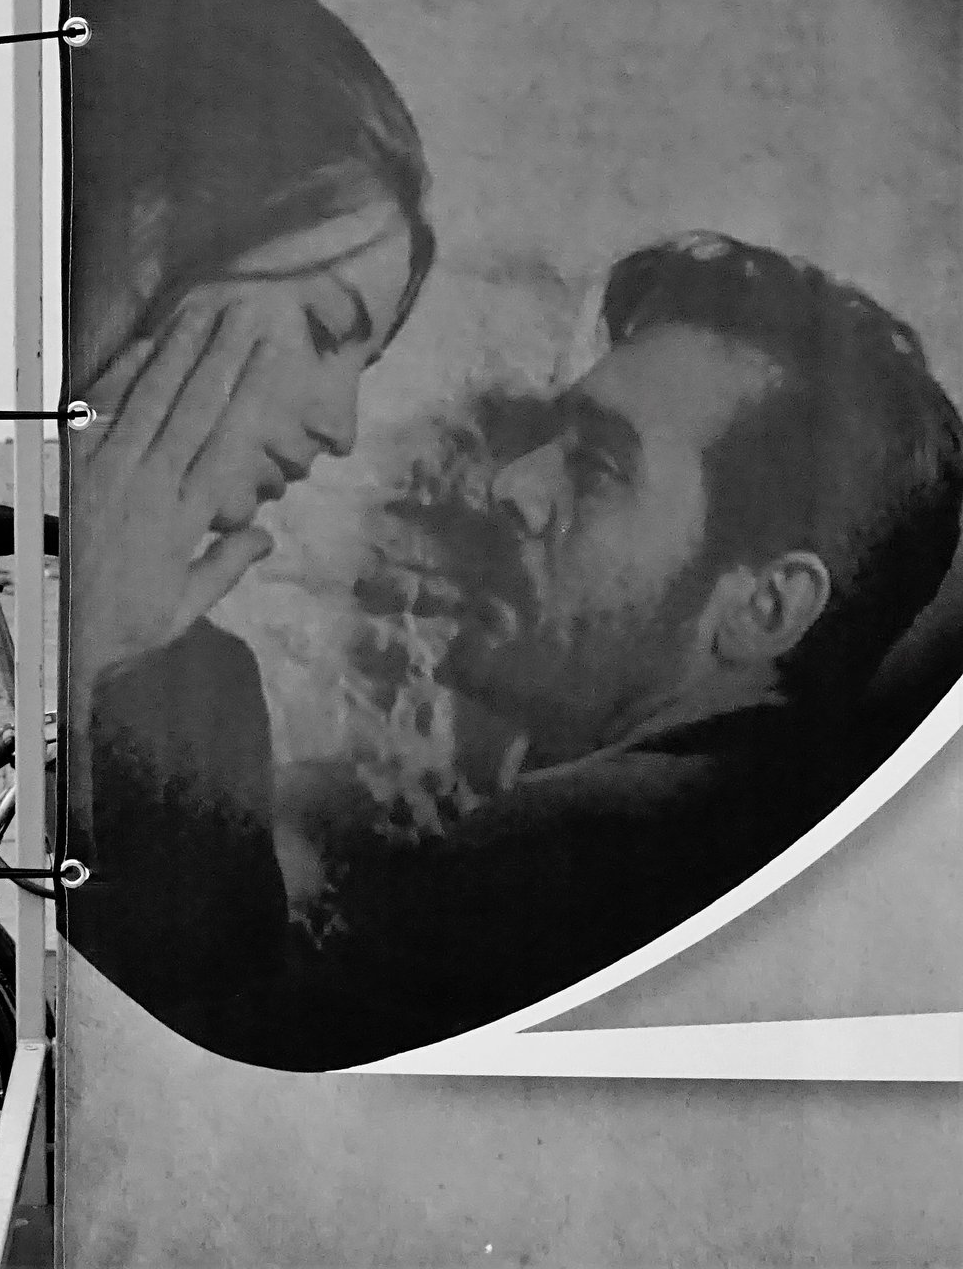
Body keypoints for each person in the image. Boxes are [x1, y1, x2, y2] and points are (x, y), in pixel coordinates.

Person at [76, 229, 963, 1072]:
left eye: (599, 467)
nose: (513, 485)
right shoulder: (797, 847)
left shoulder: (571, 852)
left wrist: (136, 663)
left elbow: (217, 1088)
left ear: (767, 607)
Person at [59, 0, 438, 1054]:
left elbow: (215, 1045)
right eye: (324, 327)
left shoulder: (206, 694)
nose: (339, 428)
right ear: (149, 232)